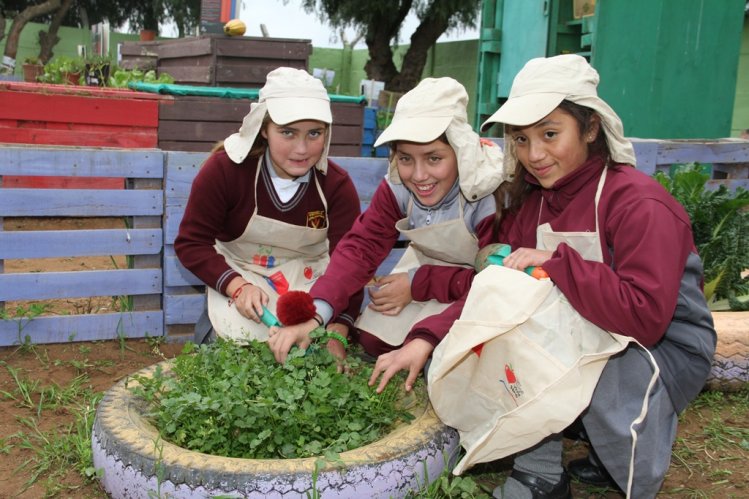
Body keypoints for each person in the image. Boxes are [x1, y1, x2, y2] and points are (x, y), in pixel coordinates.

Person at [423, 54, 717, 498]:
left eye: (549, 134)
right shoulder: (533, 202)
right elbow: (495, 292)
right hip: (589, 328)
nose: (534, 154)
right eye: (520, 140)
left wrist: (557, 262)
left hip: (662, 348)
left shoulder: (639, 204)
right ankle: (544, 470)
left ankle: (618, 448)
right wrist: (426, 339)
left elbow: (646, 318)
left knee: (594, 368)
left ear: (591, 128)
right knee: (499, 340)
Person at [268, 77, 508, 392]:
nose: (419, 175)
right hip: (432, 273)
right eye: (406, 159)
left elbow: (496, 285)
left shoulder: (488, 194)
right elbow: (361, 249)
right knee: (372, 340)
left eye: (434, 158)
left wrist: (420, 286)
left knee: (449, 356)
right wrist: (316, 316)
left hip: (483, 290)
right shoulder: (398, 186)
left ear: (460, 151)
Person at [175, 67, 362, 358]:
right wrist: (237, 287)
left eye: (315, 133)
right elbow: (191, 243)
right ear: (264, 129)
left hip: (311, 285)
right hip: (242, 274)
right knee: (222, 358)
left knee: (316, 367)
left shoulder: (336, 186)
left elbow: (350, 265)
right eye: (287, 133)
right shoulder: (225, 171)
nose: (302, 148)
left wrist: (338, 330)